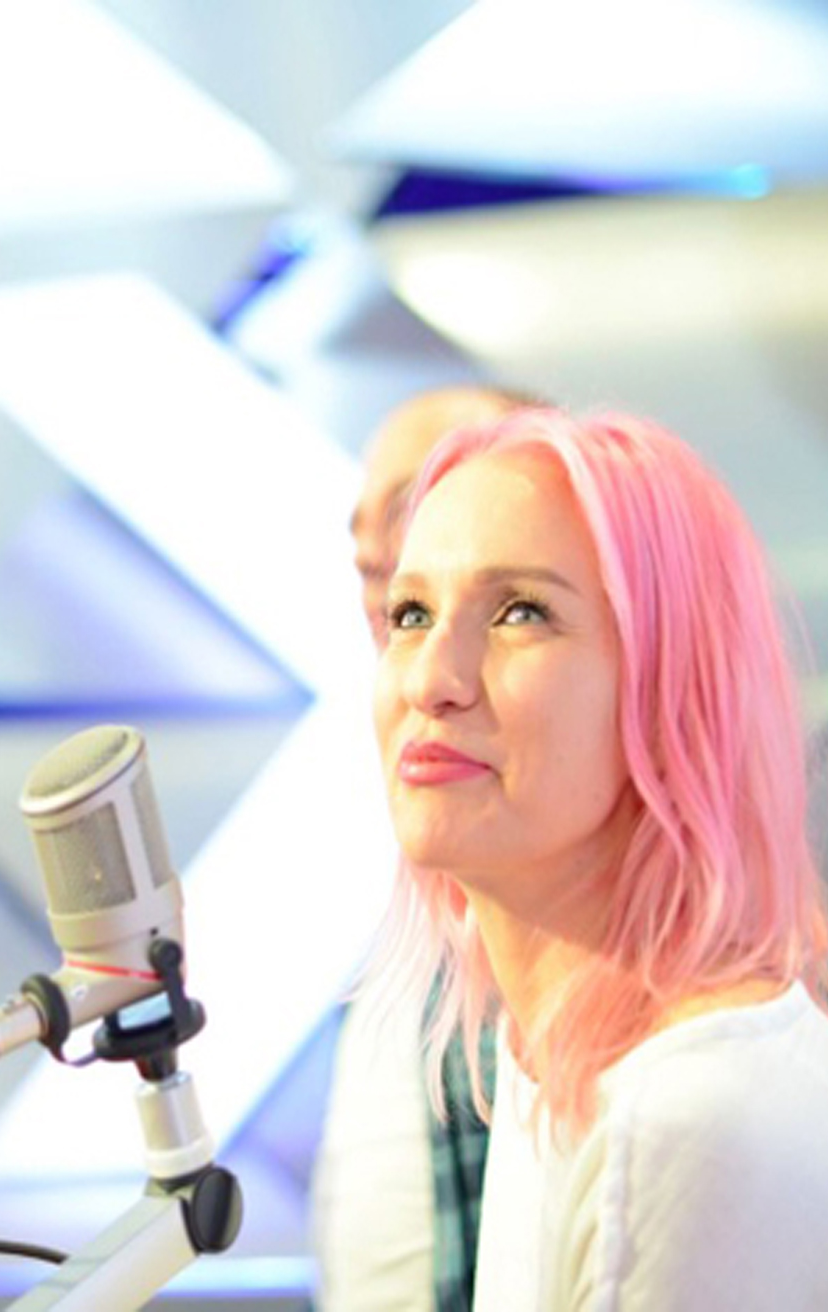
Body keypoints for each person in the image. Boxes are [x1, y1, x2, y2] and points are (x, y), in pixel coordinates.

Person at [369, 407, 828, 1308]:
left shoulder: (681, 1117)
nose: (430, 679)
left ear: (672, 689)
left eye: (520, 613)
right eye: (410, 614)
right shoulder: (551, 1054)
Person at [316, 384, 536, 1312]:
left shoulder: (600, 882)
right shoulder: (425, 831)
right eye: (359, 525)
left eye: (405, 506)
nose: (371, 550)